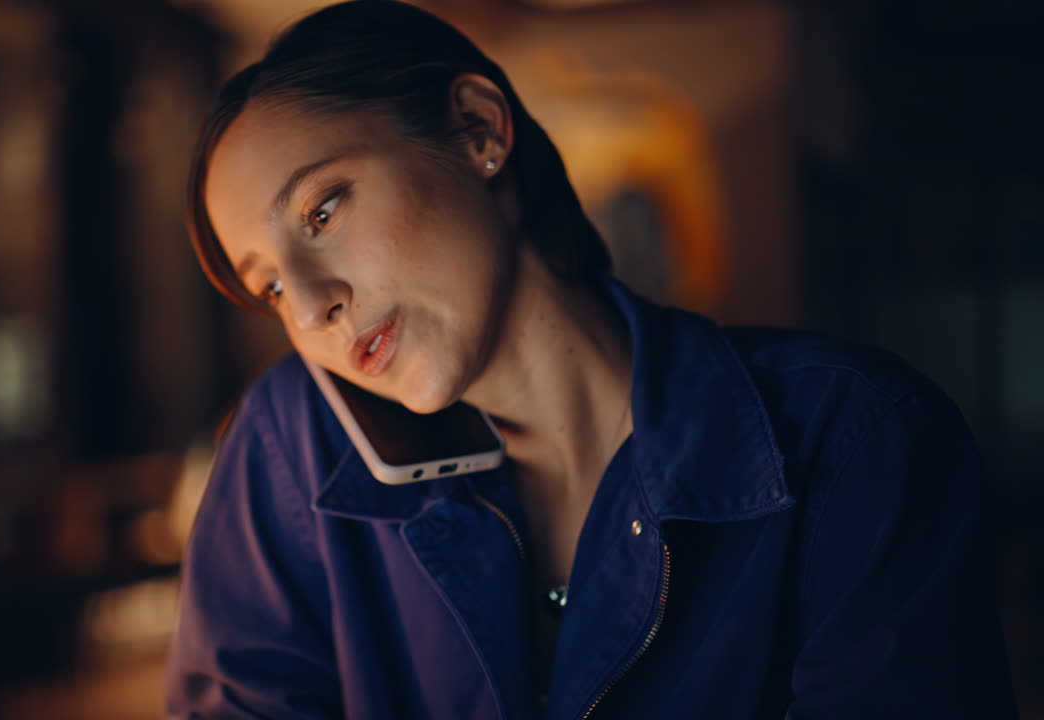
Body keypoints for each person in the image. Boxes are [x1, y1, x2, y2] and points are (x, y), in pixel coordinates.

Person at [166, 1, 1018, 717]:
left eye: (321, 212)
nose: (313, 307)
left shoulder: (852, 435)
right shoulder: (294, 450)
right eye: (269, 286)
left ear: (476, 129)